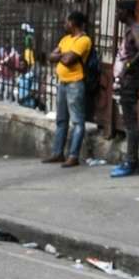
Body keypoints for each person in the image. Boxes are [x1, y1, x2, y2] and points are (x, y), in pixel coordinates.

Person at [42, 11, 92, 167]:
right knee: (61, 120)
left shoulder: (84, 40)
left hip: (75, 83)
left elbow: (69, 60)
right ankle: (58, 153)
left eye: (67, 22)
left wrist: (61, 56)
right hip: (62, 83)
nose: (64, 25)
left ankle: (73, 155)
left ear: (73, 23)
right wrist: (62, 56)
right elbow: (50, 57)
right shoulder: (65, 39)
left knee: (77, 121)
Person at [111, 0, 139, 178]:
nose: (117, 14)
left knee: (130, 124)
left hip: (129, 83)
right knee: (129, 123)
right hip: (126, 82)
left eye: (119, 10)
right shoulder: (131, 29)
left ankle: (132, 163)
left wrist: (128, 67)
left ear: (126, 11)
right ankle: (131, 161)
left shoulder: (135, 29)